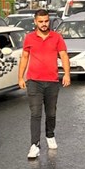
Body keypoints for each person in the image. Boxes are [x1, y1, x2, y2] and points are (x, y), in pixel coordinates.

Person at [17, 9, 71, 160]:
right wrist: (20, 77)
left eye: (46, 21)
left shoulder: (56, 37)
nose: (44, 24)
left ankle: (50, 134)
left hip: (52, 81)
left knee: (51, 112)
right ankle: (35, 145)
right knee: (35, 113)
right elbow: (24, 57)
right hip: (34, 81)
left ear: (49, 21)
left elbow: (63, 56)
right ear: (35, 22)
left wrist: (67, 74)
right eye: (40, 22)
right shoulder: (29, 38)